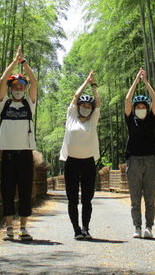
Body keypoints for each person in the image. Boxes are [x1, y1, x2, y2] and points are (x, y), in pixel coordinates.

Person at [0, 45, 37, 241]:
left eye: (22, 87)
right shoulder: (4, 103)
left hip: (25, 154)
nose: (19, 90)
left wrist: (24, 63)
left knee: (25, 190)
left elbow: (35, 82)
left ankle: (23, 228)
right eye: (16, 87)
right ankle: (8, 229)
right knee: (7, 191)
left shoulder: (29, 105)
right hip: (8, 154)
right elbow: (2, 80)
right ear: (11, 89)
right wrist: (14, 62)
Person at [60, 71, 101, 240]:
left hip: (88, 163)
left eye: (88, 107)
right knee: (72, 199)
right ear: (78, 107)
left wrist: (94, 87)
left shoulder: (93, 121)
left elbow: (98, 102)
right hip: (71, 162)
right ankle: (76, 229)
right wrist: (86, 81)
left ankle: (85, 228)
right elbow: (76, 96)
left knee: (87, 199)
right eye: (83, 106)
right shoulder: (71, 117)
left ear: (91, 110)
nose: (86, 108)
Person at [124, 68, 155, 239]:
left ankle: (149, 228)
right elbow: (127, 99)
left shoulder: (152, 121)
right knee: (135, 199)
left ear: (147, 108)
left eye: (143, 107)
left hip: (151, 161)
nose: (140, 109)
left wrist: (146, 82)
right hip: (133, 161)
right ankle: (137, 227)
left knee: (150, 198)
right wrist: (136, 80)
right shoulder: (131, 122)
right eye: (137, 107)